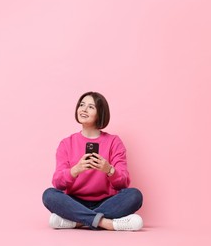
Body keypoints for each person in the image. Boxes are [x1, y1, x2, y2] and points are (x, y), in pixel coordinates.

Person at [42, 91, 143, 231]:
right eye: (81, 105)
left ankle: (77, 222)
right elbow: (58, 183)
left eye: (90, 107)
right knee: (49, 195)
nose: (83, 109)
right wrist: (75, 170)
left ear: (100, 113)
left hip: (107, 201)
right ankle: (106, 223)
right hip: (75, 201)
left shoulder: (114, 142)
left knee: (134, 195)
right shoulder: (66, 143)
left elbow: (123, 184)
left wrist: (109, 170)